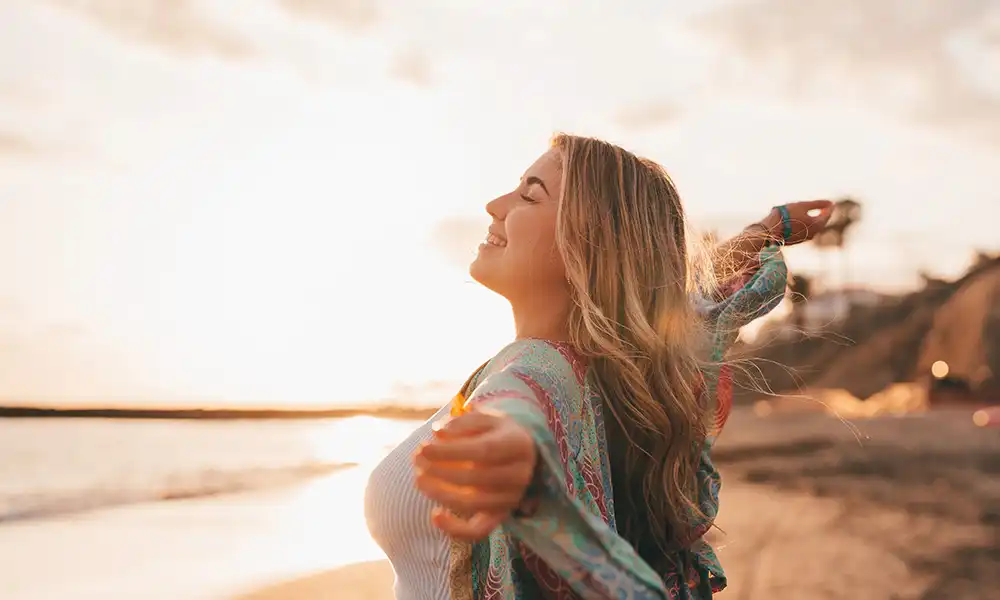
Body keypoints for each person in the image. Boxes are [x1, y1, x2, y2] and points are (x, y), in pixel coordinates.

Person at [365, 134, 832, 600]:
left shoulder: (534, 373)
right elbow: (687, 304)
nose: (495, 204)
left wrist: (520, 458)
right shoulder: (608, 361)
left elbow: (520, 410)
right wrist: (766, 231)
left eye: (529, 194)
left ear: (588, 244)